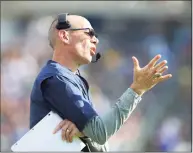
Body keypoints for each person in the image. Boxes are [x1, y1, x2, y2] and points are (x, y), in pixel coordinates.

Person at [29, 13, 172, 152]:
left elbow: (102, 145)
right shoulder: (58, 79)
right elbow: (101, 133)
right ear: (65, 36)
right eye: (89, 33)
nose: (95, 40)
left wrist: (85, 135)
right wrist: (137, 90)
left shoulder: (70, 78)